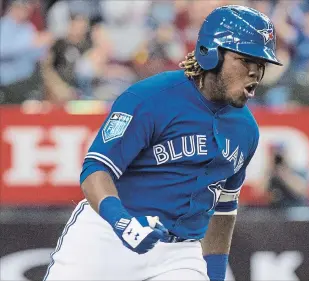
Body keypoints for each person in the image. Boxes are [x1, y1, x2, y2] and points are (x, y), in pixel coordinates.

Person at [44, 5, 282, 281]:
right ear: (211, 54)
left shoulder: (246, 130)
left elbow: (224, 207)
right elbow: (95, 170)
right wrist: (123, 222)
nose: (255, 72)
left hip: (179, 254)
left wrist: (215, 274)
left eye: (260, 64)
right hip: (107, 236)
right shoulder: (151, 97)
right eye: (245, 60)